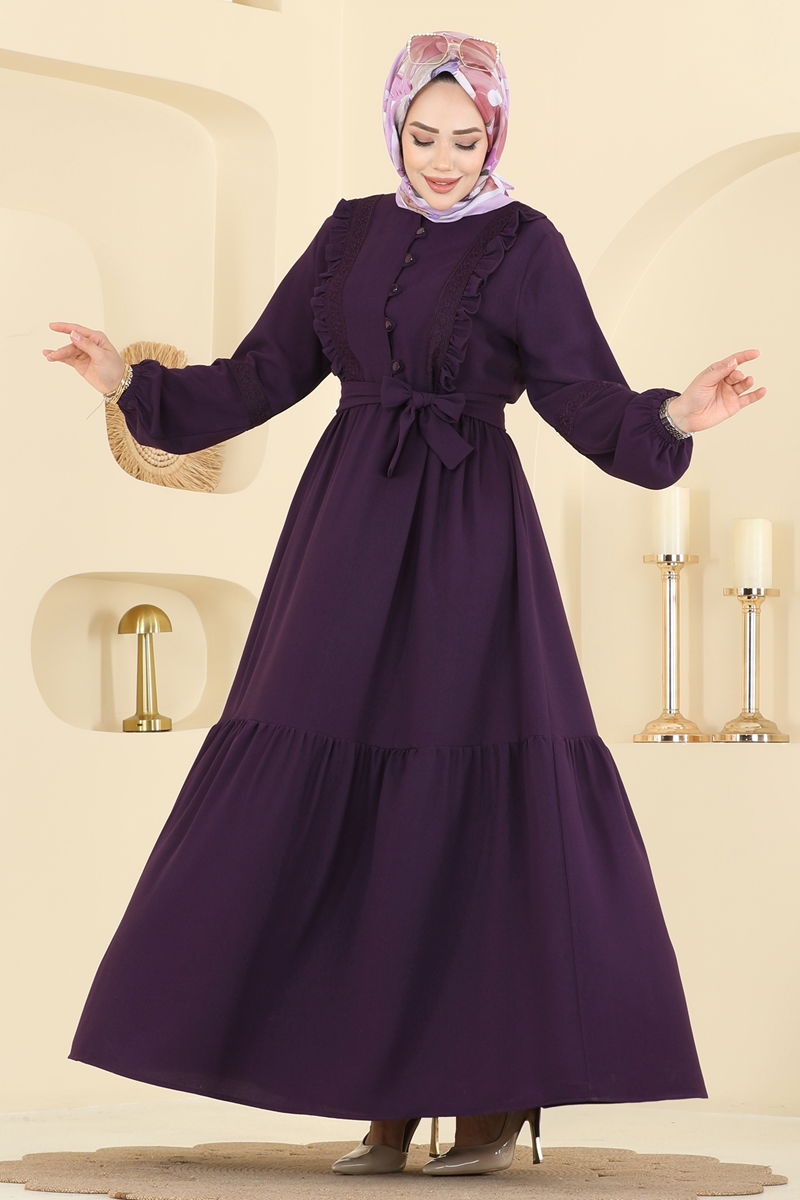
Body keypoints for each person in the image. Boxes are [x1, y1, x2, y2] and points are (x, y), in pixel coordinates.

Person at [43, 30, 765, 1179]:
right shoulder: (347, 233)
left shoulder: (526, 244)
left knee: (462, 783)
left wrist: (676, 415)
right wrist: (127, 383)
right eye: (422, 136)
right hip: (344, 532)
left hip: (468, 538)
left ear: (495, 135)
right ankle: (380, 1089)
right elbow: (263, 374)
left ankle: (486, 1092)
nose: (440, 159)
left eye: (464, 139)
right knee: (328, 772)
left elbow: (578, 393)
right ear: (393, 127)